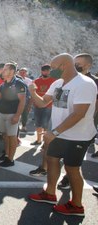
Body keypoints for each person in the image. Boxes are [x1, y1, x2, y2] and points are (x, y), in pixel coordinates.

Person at [28, 53, 96, 217]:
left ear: (65, 66)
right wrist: (32, 91)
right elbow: (43, 102)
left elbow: (79, 114)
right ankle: (50, 194)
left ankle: (77, 205)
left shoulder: (85, 84)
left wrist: (54, 132)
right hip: (58, 134)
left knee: (72, 168)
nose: (51, 71)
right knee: (51, 160)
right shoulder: (58, 82)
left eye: (53, 68)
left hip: (77, 136)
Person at [56, 53, 98, 190]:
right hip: (66, 124)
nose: (75, 66)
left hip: (83, 125)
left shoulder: (93, 81)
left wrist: (89, 118)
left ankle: (68, 179)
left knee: (73, 161)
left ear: (88, 65)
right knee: (62, 156)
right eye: (74, 63)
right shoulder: (69, 78)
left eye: (78, 64)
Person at [0, 62, 26, 167]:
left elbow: (22, 101)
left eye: (5, 69)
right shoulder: (4, 84)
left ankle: (10, 159)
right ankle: (6, 155)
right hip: (2, 113)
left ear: (12, 71)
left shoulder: (19, 83)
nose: (2, 71)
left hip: (12, 114)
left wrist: (17, 115)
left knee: (12, 137)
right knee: (5, 136)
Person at [28, 64, 56, 177]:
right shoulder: (37, 80)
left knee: (45, 125)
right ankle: (39, 140)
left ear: (50, 71)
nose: (45, 72)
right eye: (43, 70)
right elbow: (32, 93)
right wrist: (30, 104)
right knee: (38, 123)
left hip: (48, 106)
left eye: (47, 70)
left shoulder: (54, 81)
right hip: (37, 105)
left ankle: (45, 142)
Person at [18, 68, 33, 132]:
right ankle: (17, 126)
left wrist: (30, 103)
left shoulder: (30, 81)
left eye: (24, 72)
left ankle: (24, 126)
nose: (22, 73)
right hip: (16, 99)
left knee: (25, 114)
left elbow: (31, 91)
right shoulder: (16, 80)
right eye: (21, 72)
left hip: (26, 99)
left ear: (26, 73)